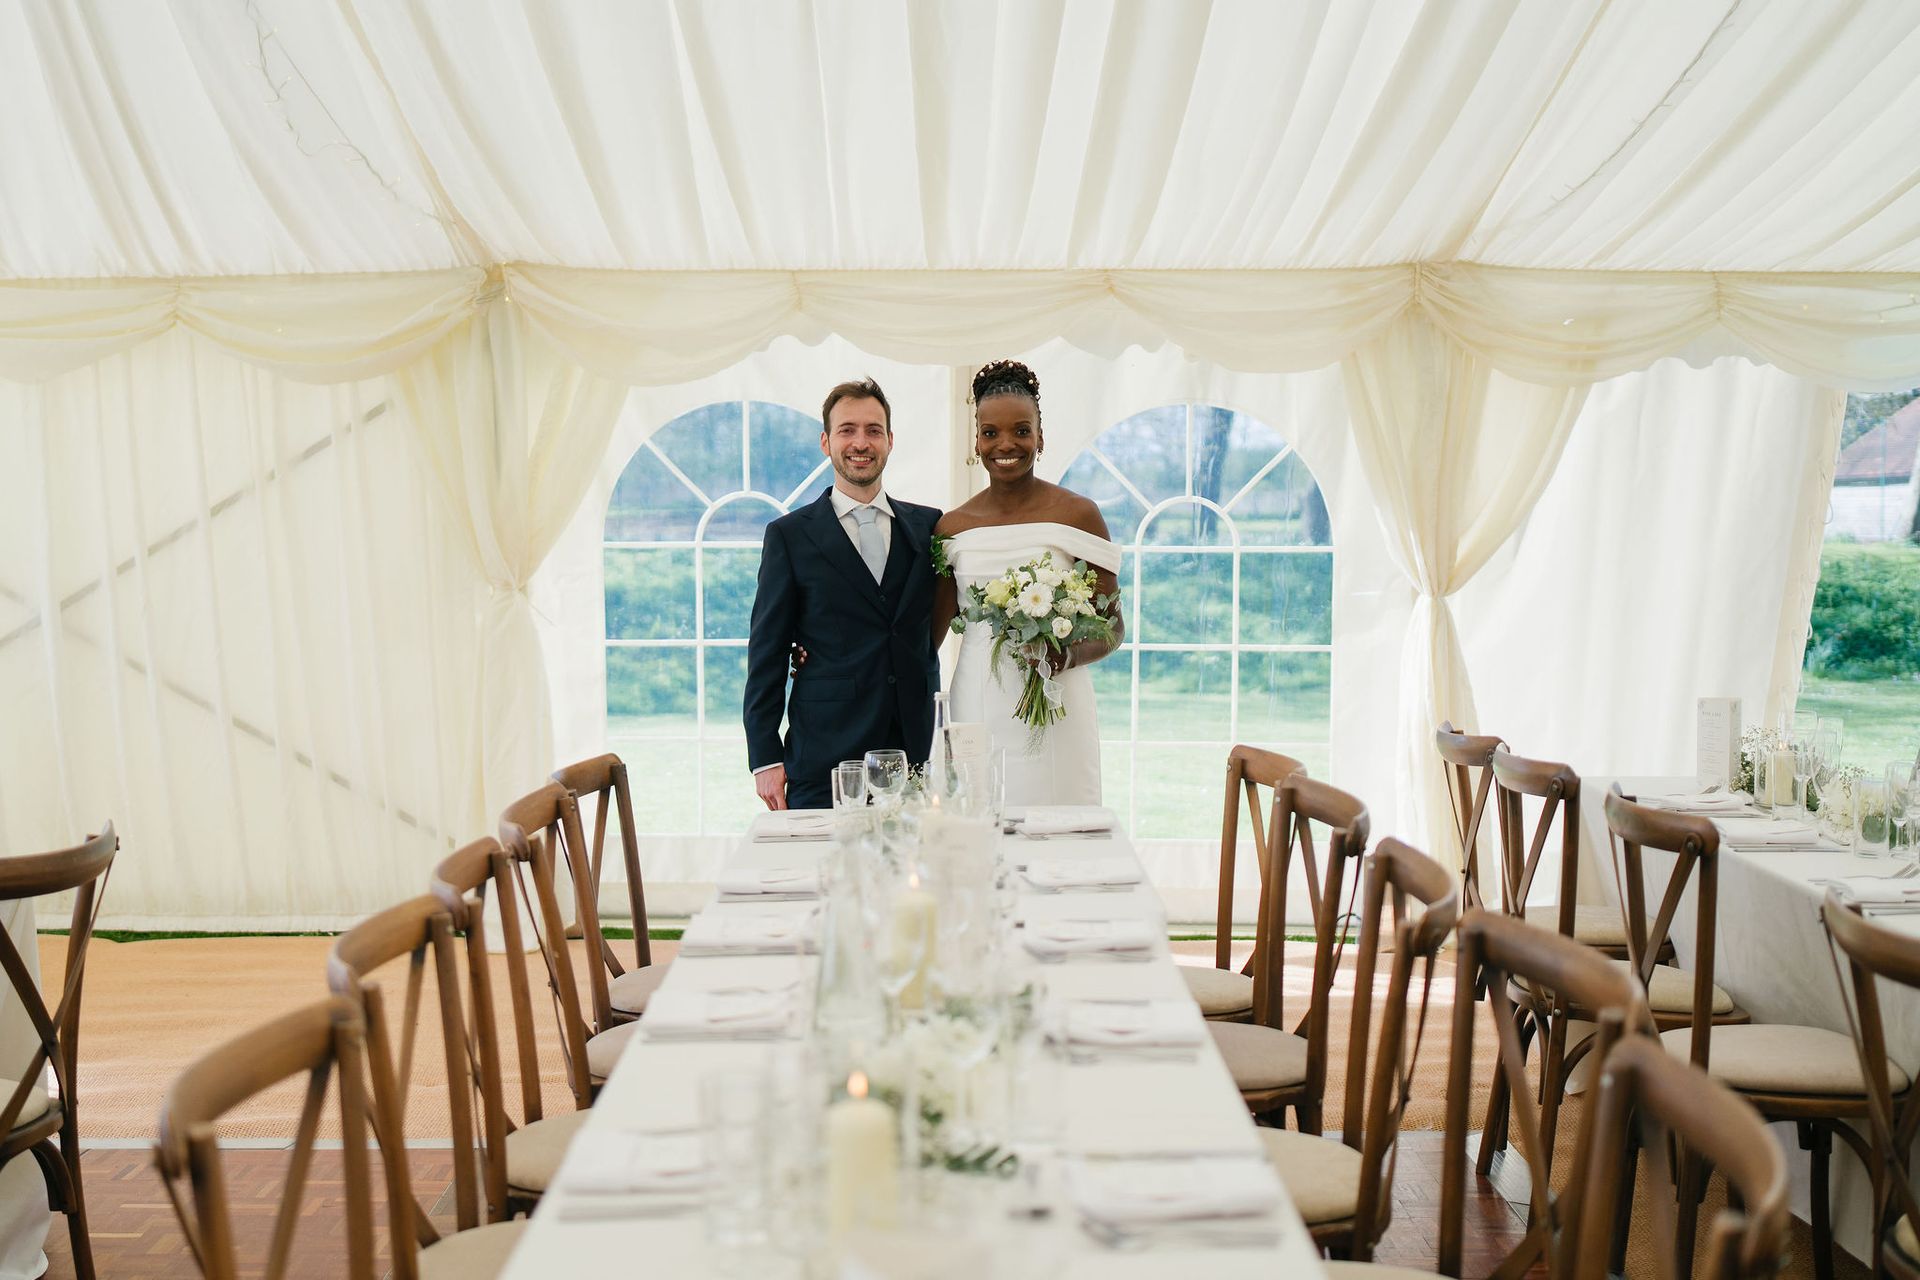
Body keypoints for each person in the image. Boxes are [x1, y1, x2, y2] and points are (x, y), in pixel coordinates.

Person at [743, 378, 944, 810]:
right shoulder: (789, 536)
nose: (861, 442)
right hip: (824, 756)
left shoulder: (929, 528)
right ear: (825, 441)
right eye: (847, 430)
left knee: (909, 875)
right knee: (820, 877)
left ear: (890, 441)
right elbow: (767, 650)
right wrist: (764, 758)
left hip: (914, 754)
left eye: (873, 430)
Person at [933, 360, 1123, 805]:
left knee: (1061, 828)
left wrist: (1066, 655)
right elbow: (926, 635)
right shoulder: (951, 528)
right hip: (977, 702)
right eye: (990, 432)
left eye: (1021, 431)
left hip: (1058, 702)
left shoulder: (1079, 515)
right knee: (980, 825)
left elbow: (1113, 628)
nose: (1005, 444)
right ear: (976, 438)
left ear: (1041, 437)